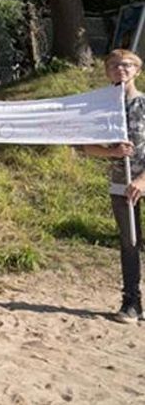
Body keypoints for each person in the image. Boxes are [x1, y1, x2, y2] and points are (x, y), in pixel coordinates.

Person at [84, 49, 145, 323]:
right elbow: (87, 147)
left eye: (127, 65)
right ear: (107, 71)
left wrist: (143, 180)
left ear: (137, 71)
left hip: (142, 179)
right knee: (129, 242)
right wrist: (112, 152)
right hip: (122, 182)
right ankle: (132, 301)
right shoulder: (103, 108)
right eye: (114, 65)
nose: (120, 69)